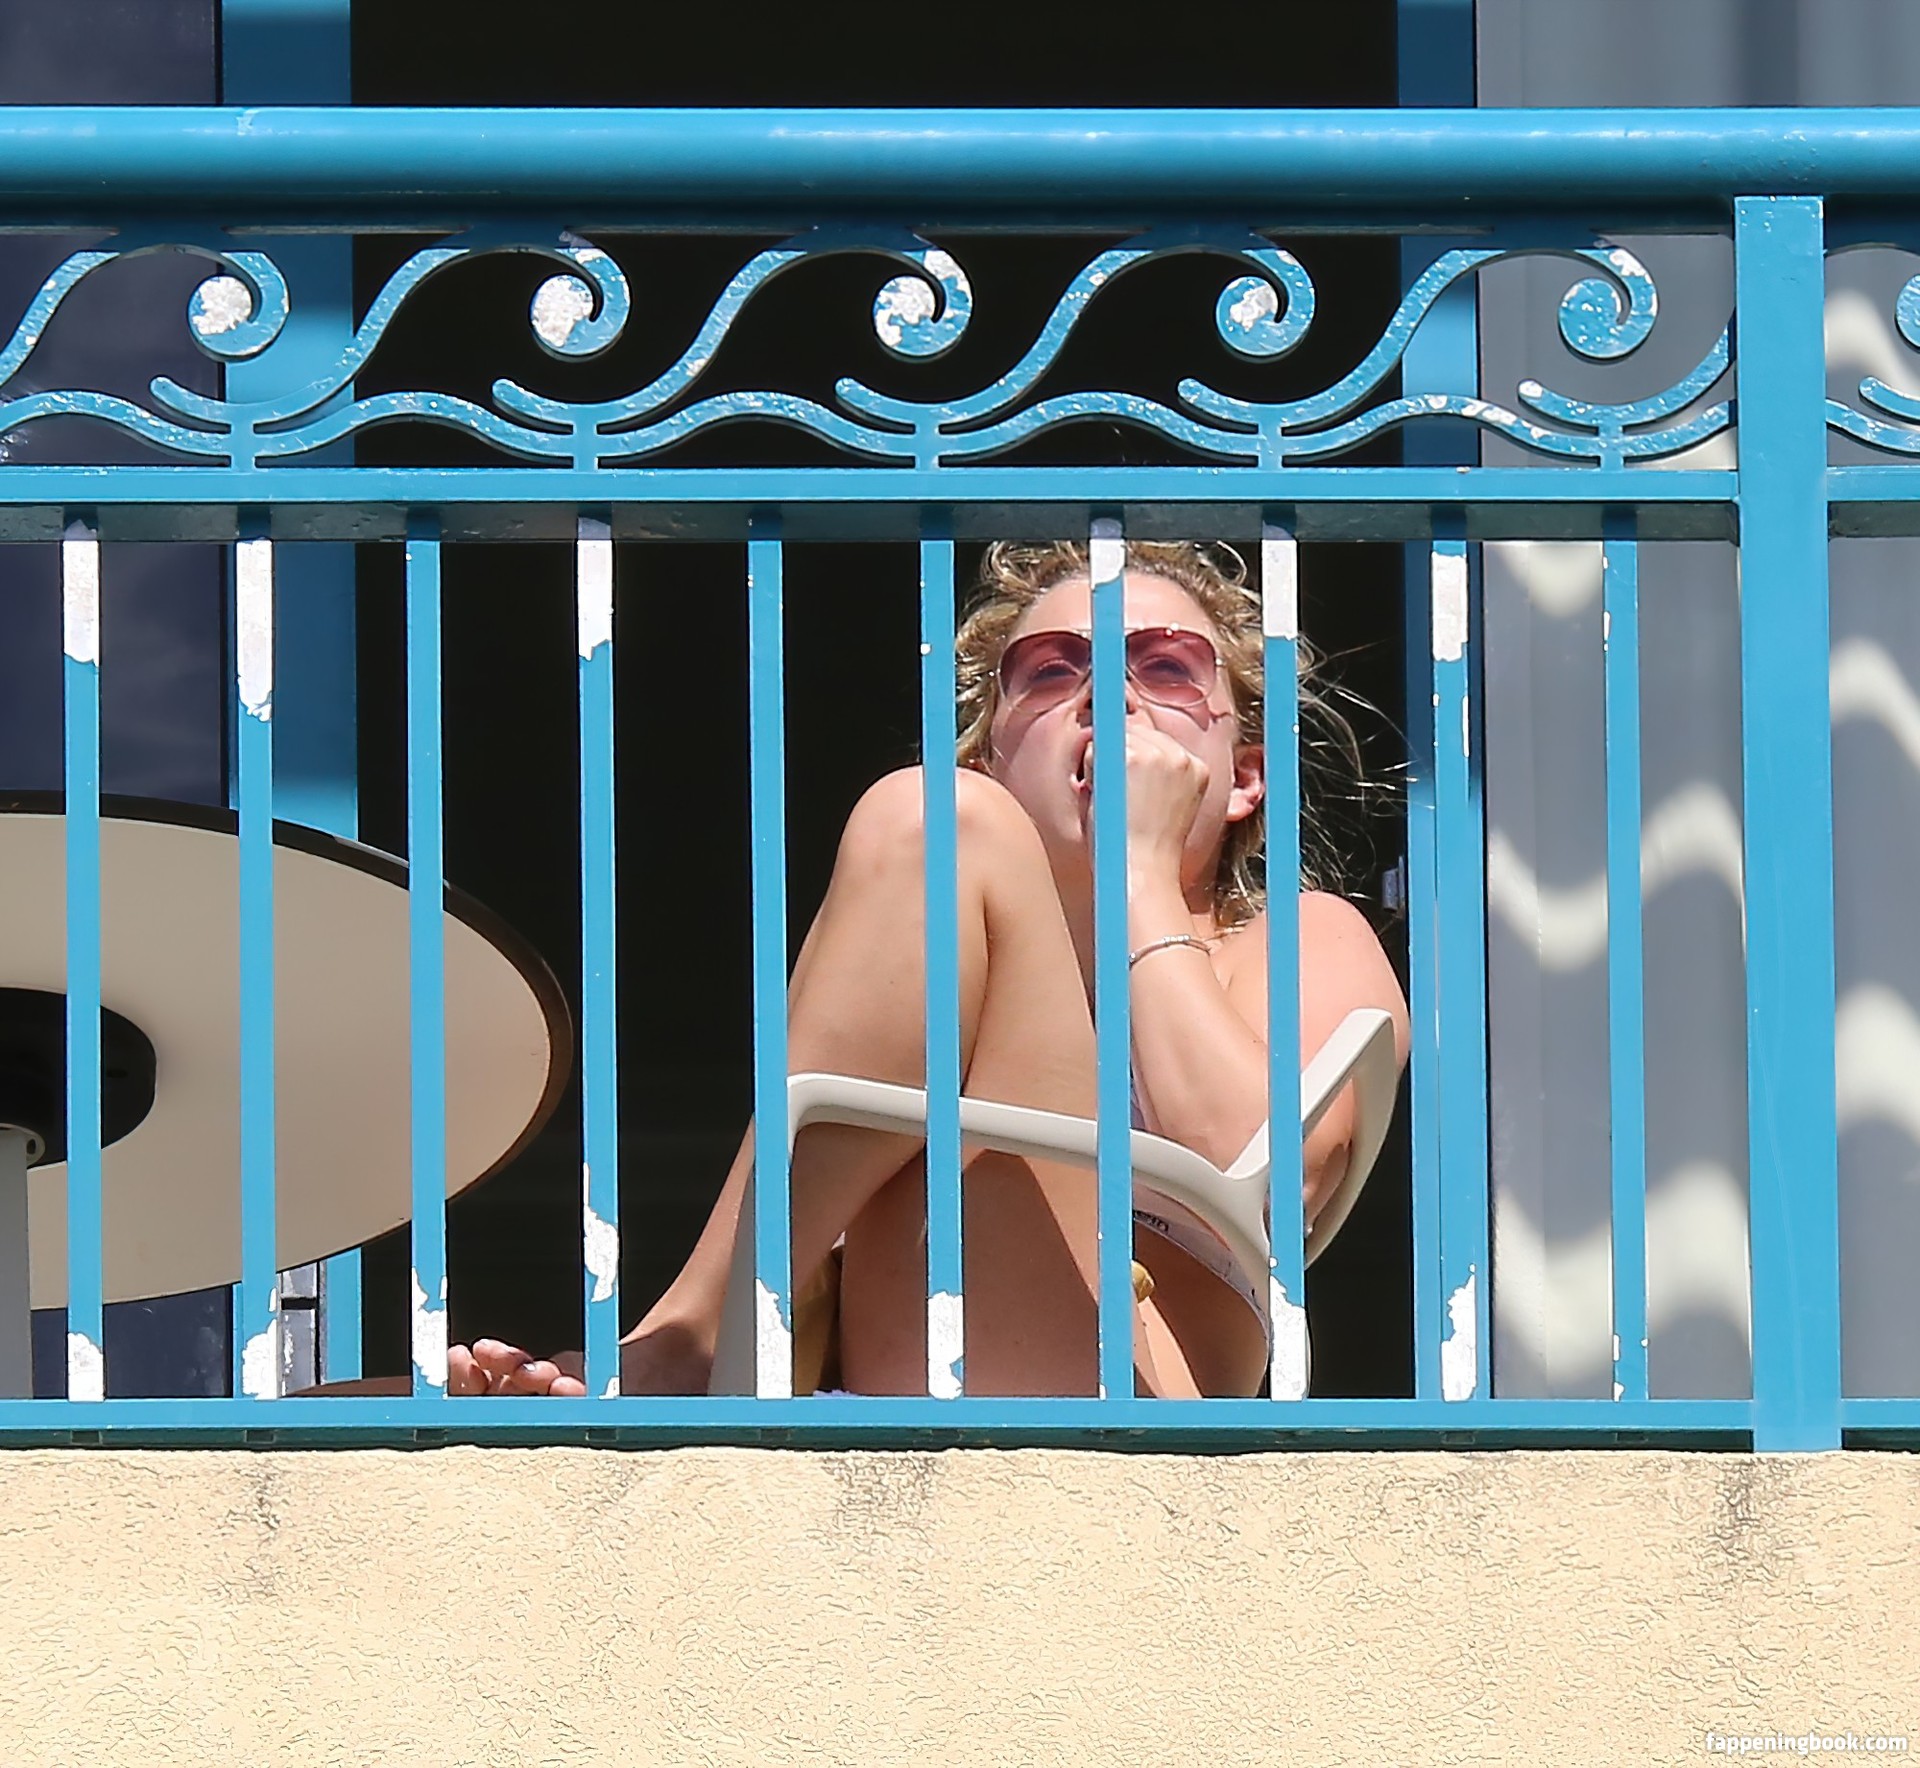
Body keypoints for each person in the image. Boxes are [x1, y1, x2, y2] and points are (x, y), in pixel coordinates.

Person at [448, 539, 1409, 1400]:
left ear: (1244, 779)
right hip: (904, 1337)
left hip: (1129, 1386)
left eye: (1167, 667)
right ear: (993, 761)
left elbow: (1274, 1187)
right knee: (929, 820)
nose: (1105, 695)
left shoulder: (1299, 934)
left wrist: (1143, 876)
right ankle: (688, 1339)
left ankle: (687, 1351)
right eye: (1049, 671)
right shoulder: (953, 831)